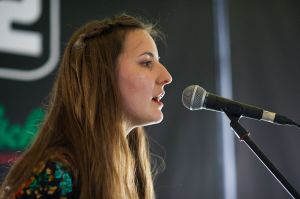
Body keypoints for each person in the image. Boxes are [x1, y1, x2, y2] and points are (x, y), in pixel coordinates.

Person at [0, 13, 172, 199]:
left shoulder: (130, 175)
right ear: (103, 77)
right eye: (146, 62)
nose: (167, 77)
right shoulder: (55, 175)